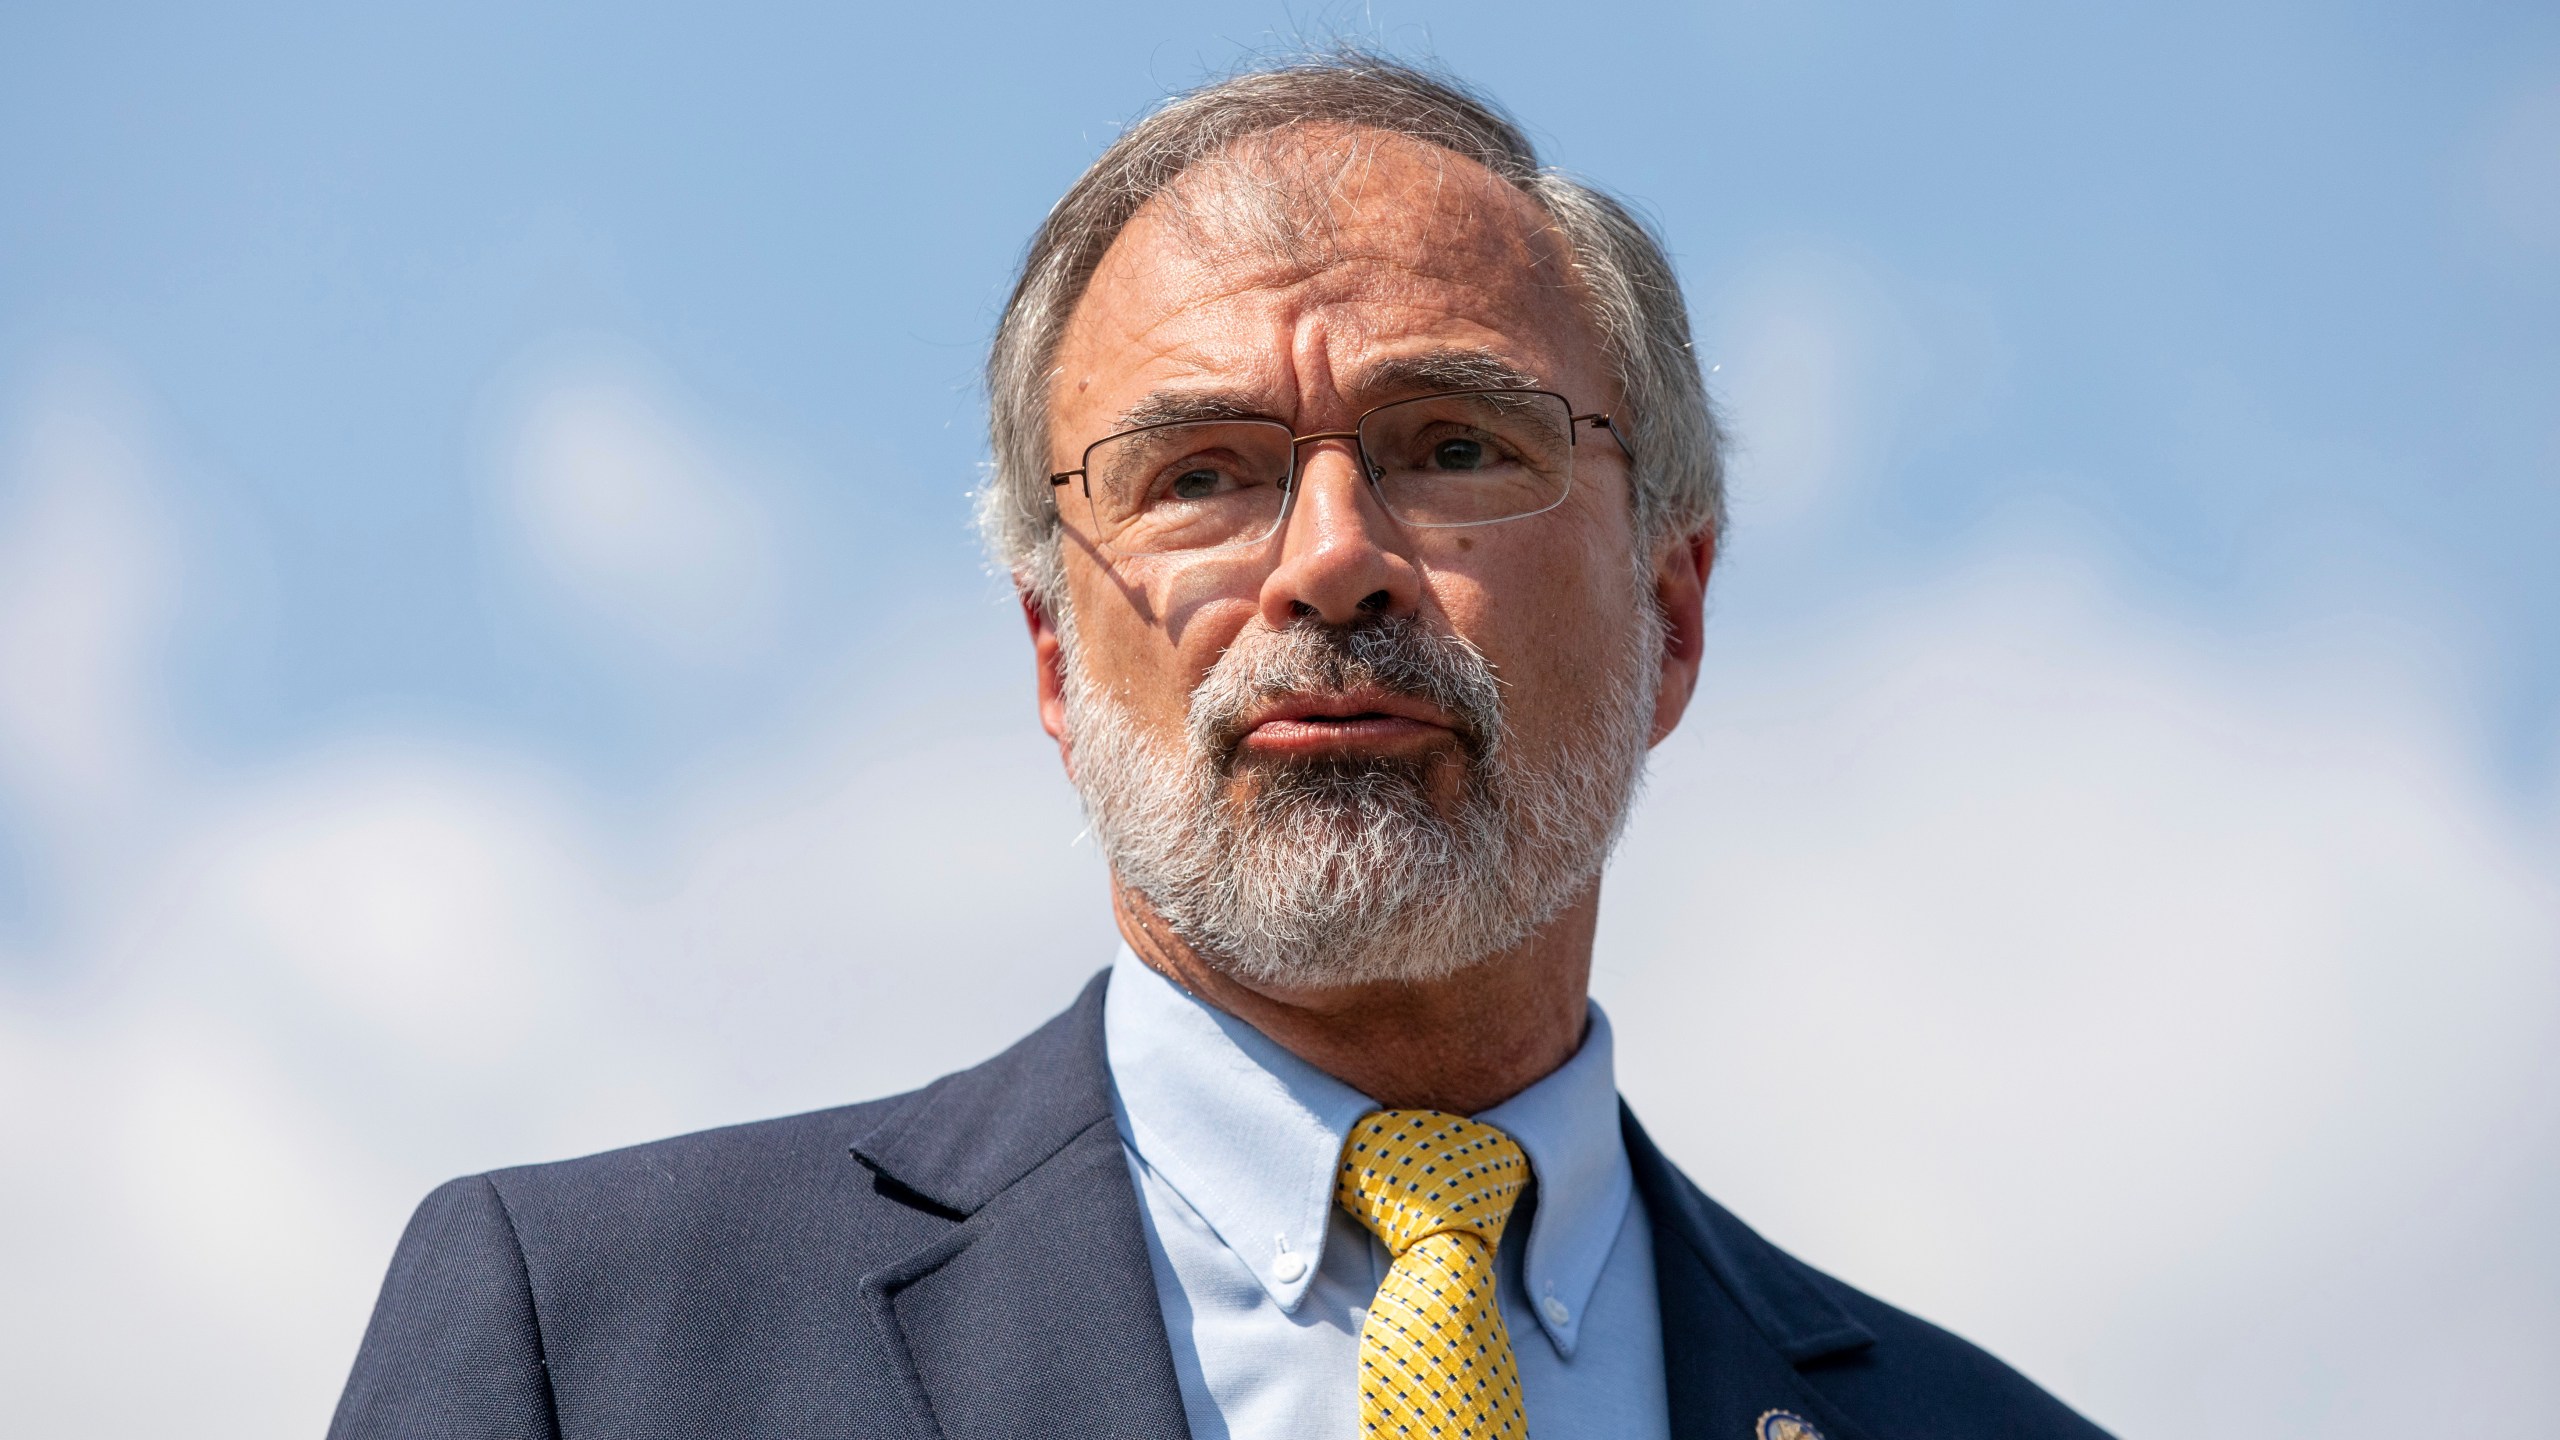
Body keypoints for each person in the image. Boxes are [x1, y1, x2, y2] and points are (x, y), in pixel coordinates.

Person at [331, 54, 2110, 1440]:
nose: (1330, 556)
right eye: (1201, 475)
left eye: (1454, 444)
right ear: (1049, 651)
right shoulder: (594, 1345)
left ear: (1677, 614)